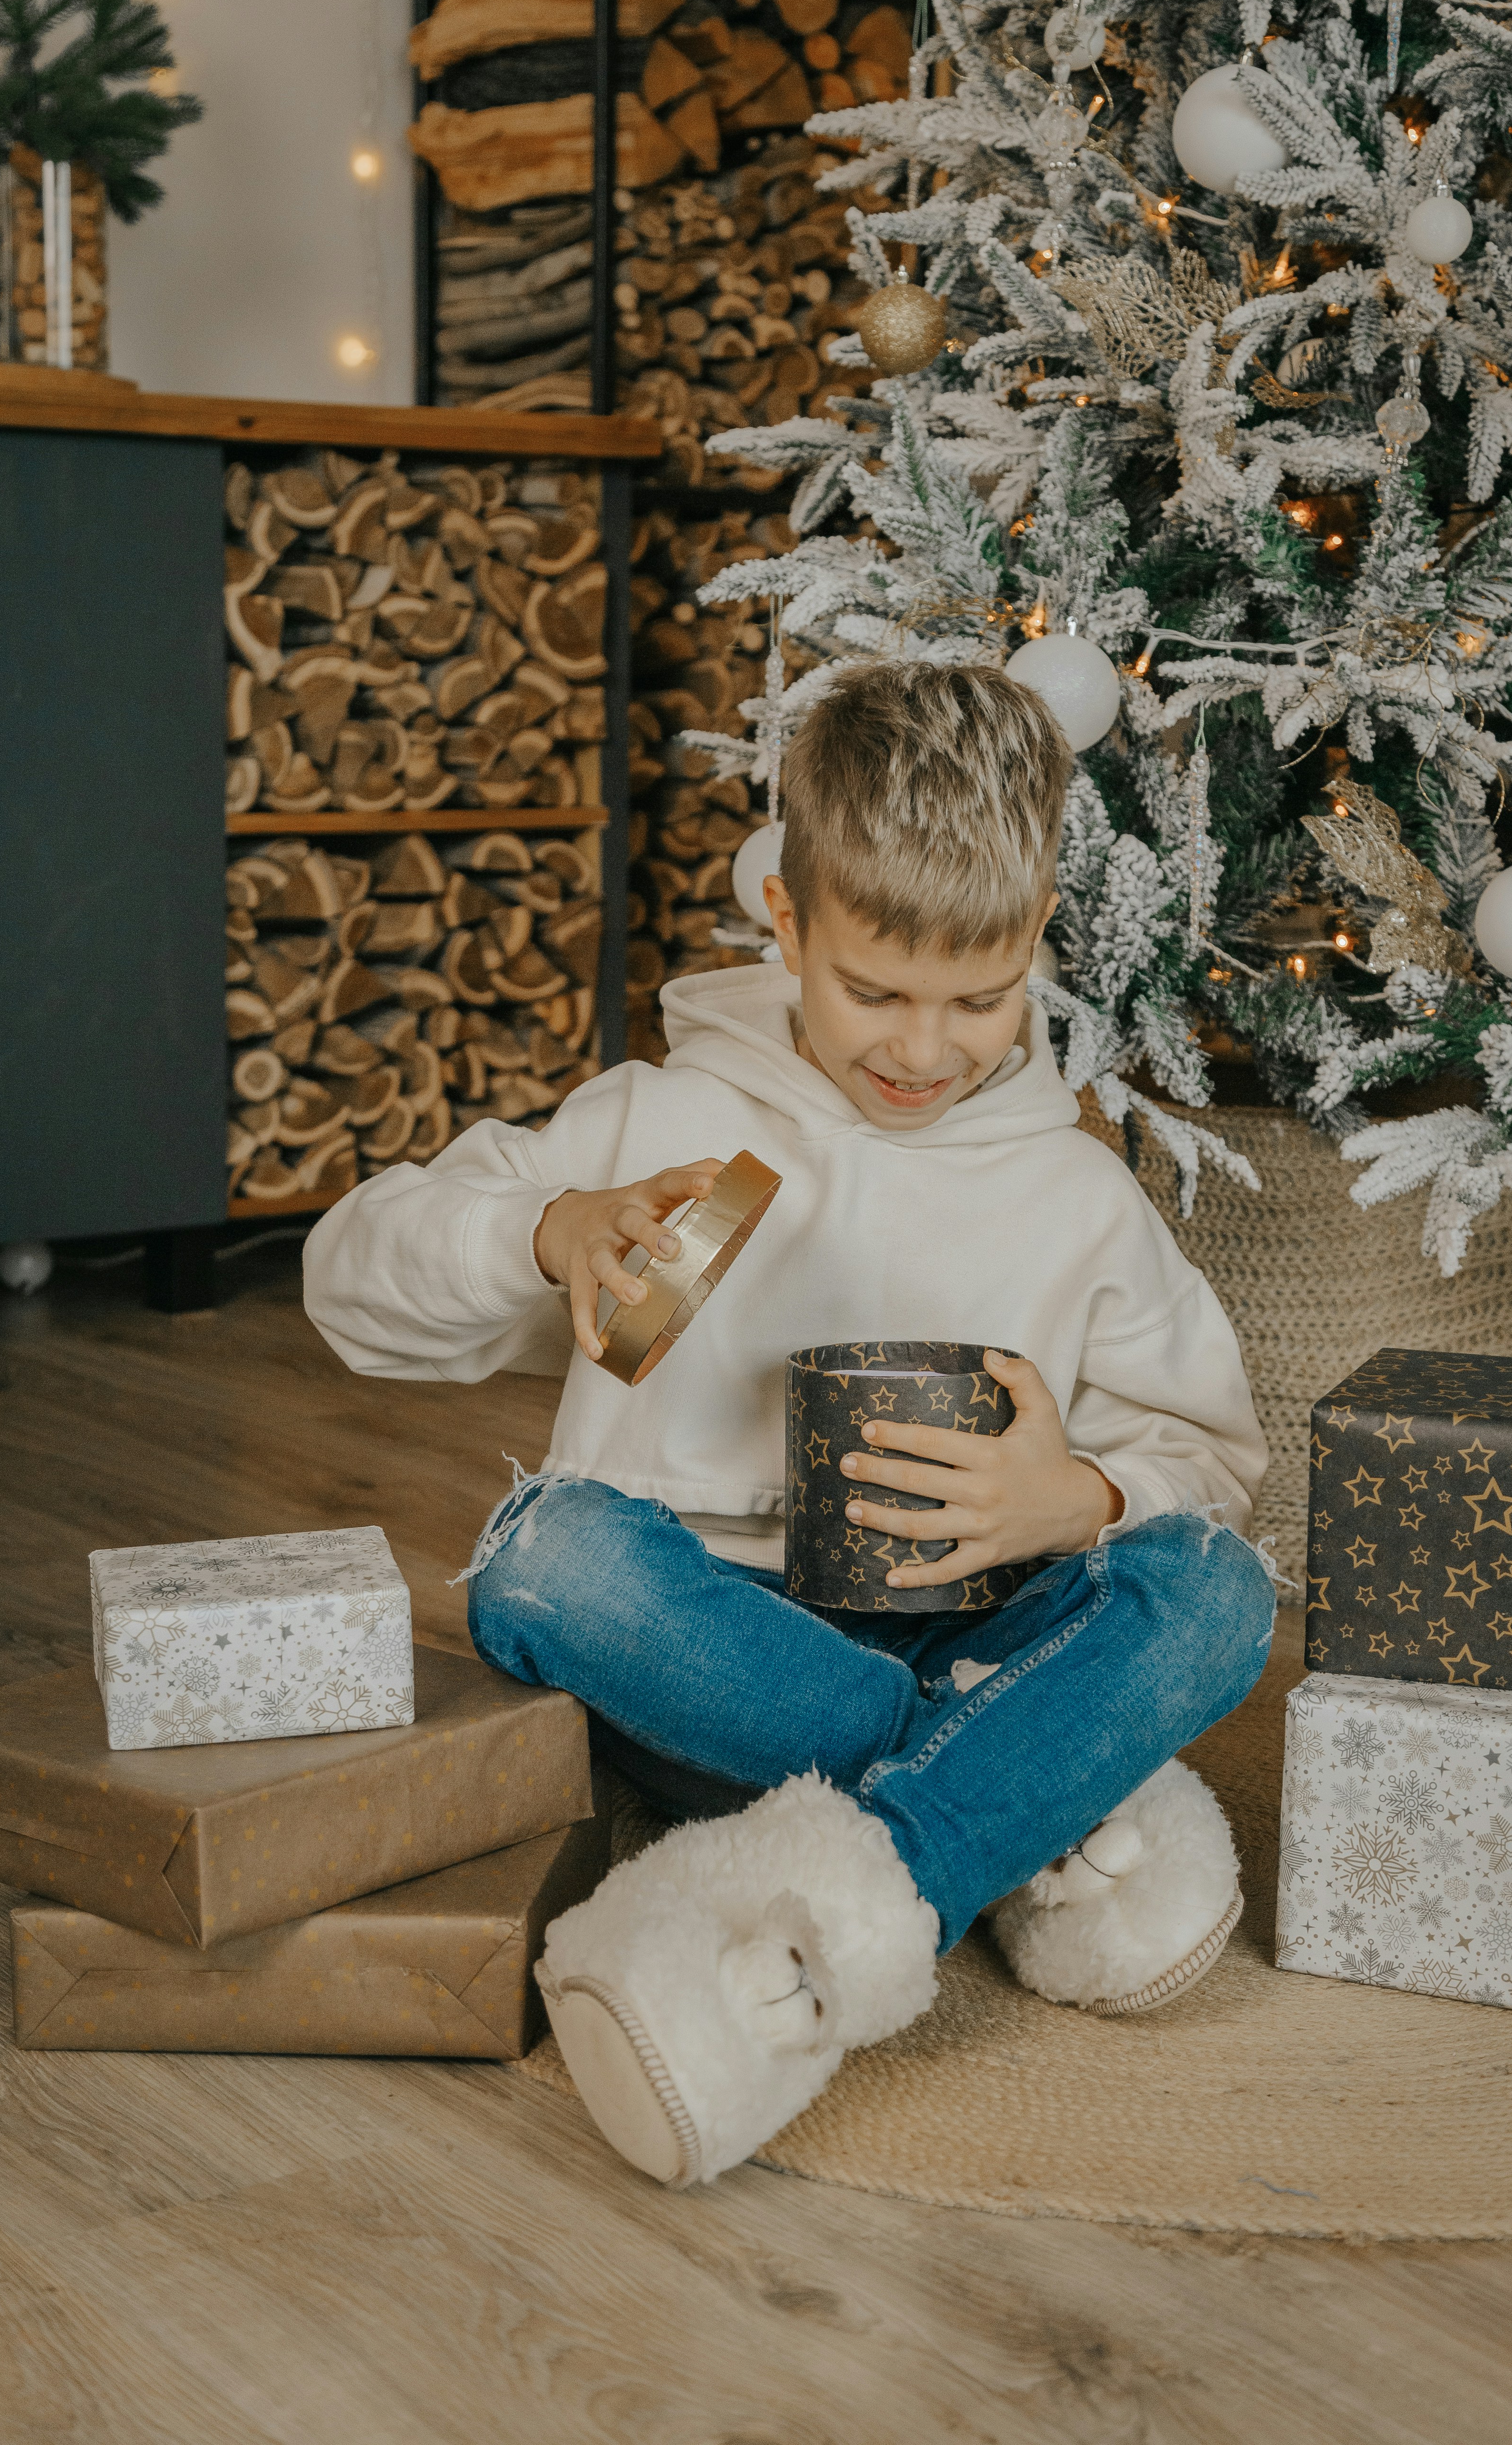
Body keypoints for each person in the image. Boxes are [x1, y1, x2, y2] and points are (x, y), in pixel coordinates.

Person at [303, 660, 1274, 2188]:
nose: (926, 1048)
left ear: (1037, 947)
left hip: (972, 1620)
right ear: (787, 923)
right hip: (722, 1659)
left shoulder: (1077, 1195)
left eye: (980, 998)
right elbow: (346, 1292)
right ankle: (1012, 1801)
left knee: (1222, 1594)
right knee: (546, 1565)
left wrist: (1070, 1499)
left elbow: (1211, 1470)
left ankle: (884, 1860)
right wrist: (544, 1235)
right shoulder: (656, 1128)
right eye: (874, 991)